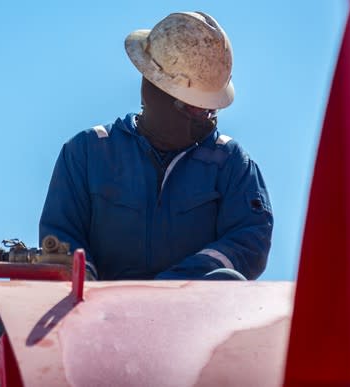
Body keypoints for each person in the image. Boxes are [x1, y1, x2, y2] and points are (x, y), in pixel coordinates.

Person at [39, 11, 273, 281]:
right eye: (197, 109)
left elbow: (249, 242)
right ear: (159, 96)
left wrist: (166, 290)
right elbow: (60, 242)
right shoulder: (88, 152)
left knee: (230, 282)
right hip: (100, 316)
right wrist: (94, 300)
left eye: (210, 109)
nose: (207, 119)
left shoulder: (230, 163)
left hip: (193, 315)